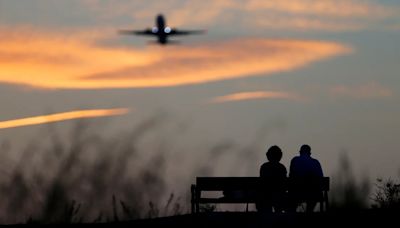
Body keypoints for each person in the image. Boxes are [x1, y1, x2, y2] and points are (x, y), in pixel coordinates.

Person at [288, 144, 323, 212]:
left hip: (297, 193)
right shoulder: (316, 162)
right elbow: (321, 178)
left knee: (292, 193)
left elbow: (291, 177)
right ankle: (309, 213)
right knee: (314, 193)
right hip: (313, 194)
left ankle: (292, 215)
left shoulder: (295, 160)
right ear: (310, 153)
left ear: (300, 152)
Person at [257, 145, 287, 213]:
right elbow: (284, 184)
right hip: (279, 195)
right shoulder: (282, 168)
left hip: (266, 195)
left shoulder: (264, 167)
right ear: (279, 156)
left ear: (268, 156)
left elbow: (262, 182)